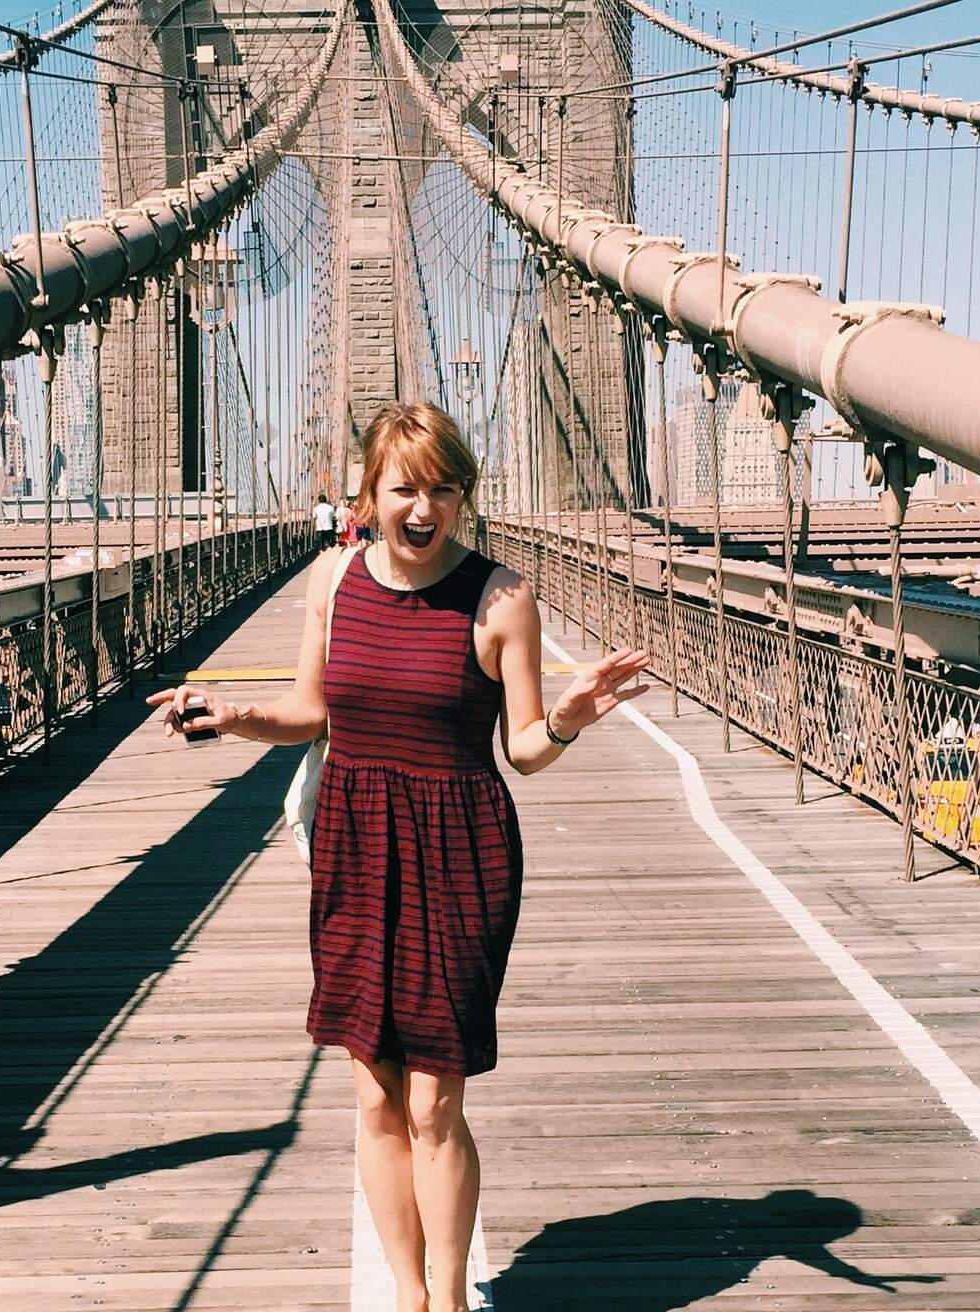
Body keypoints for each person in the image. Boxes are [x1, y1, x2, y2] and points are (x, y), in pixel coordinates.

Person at [150, 402, 650, 1312]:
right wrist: (231, 714)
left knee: (433, 1103)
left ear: (464, 495)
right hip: (354, 844)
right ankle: (409, 1296)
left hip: (461, 850)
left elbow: (525, 749)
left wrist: (569, 718)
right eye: (404, 488)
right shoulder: (334, 581)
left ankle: (451, 1300)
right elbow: (311, 714)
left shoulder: (501, 600)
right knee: (377, 1096)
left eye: (443, 490)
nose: (424, 509)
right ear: (370, 493)